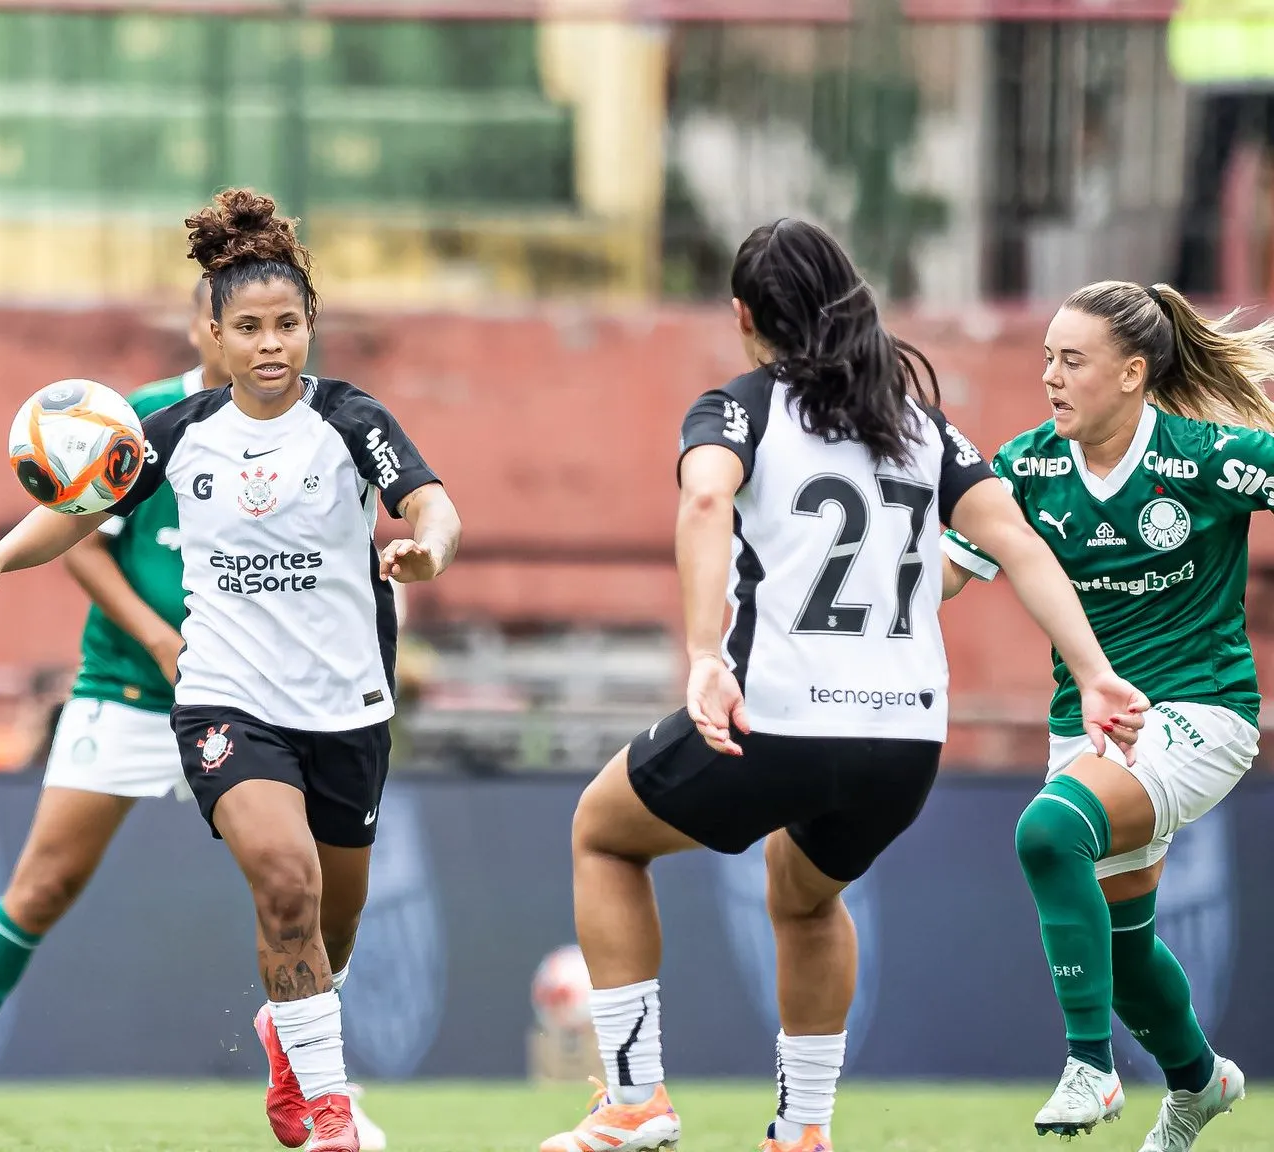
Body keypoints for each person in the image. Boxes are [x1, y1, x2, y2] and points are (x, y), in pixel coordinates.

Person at [539, 219, 1146, 1152]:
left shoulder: (738, 406)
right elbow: (1016, 539)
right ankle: (805, 1128)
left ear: (745, 316)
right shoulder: (921, 426)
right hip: (904, 745)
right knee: (807, 895)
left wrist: (706, 654)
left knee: (604, 835)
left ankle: (634, 1098)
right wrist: (1098, 675)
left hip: (775, 719)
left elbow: (705, 498)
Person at [0, 189, 460, 1152]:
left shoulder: (349, 418)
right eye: (247, 326)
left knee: (331, 926)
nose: (269, 344)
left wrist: (426, 546)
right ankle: (332, 1117)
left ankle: (286, 1035)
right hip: (225, 701)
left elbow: (432, 501)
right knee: (285, 882)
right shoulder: (176, 430)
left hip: (344, 708)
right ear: (211, 330)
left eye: (287, 325)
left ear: (311, 327)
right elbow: (81, 511)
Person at [943, 280, 1274, 1149]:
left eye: (1072, 360)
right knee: (1125, 953)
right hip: (1087, 730)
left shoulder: (1205, 458)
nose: (1050, 375)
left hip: (1202, 715)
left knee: (1049, 834)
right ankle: (1200, 1083)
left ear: (1132, 373)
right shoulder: (1025, 467)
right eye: (1046, 356)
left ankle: (1091, 1068)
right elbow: (934, 580)